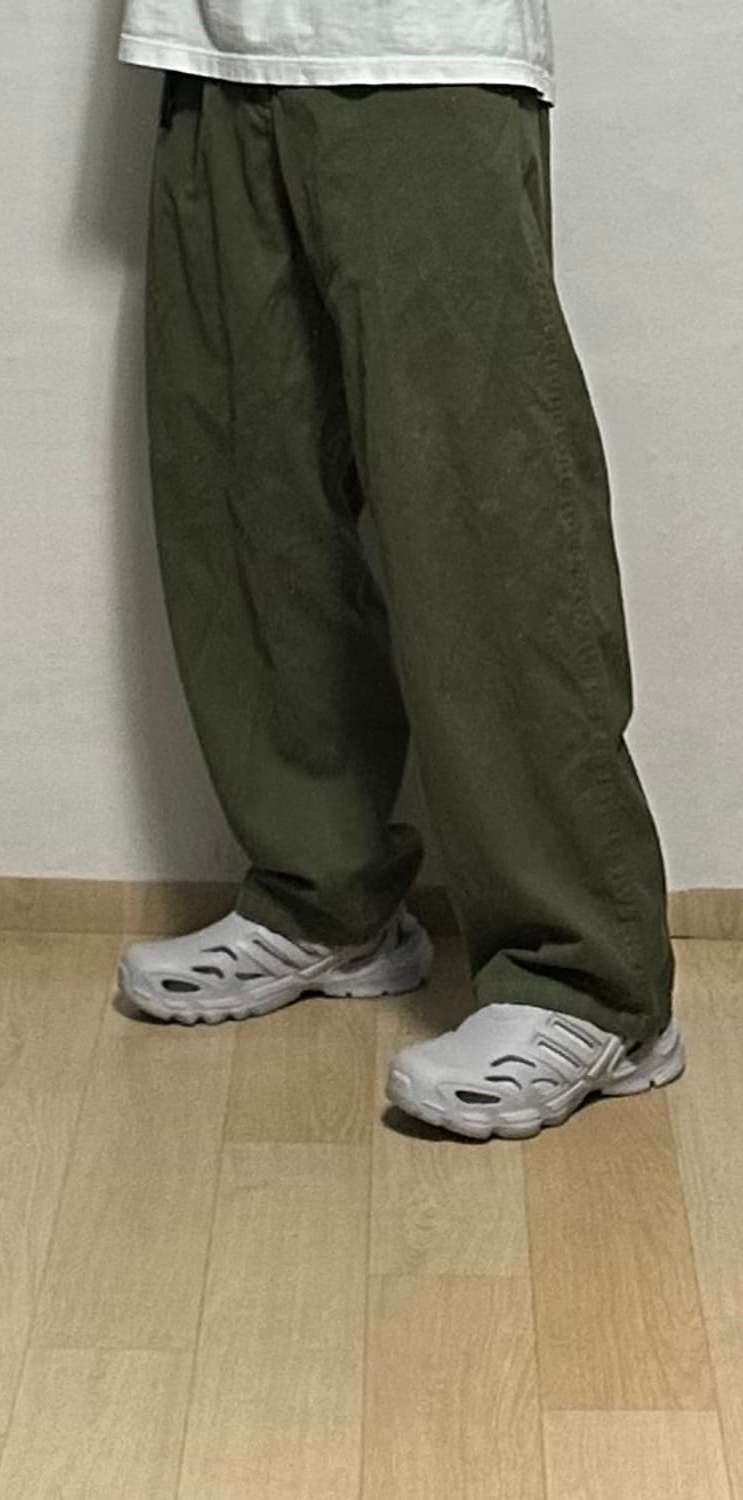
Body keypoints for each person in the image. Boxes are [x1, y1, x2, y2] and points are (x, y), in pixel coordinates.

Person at [114, 3, 686, 1140]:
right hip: (206, 43)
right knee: (244, 490)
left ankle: (588, 979)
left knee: (478, 504)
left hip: (423, 45)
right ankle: (325, 896)